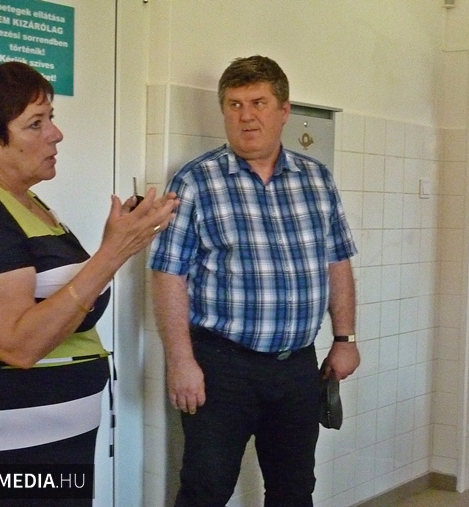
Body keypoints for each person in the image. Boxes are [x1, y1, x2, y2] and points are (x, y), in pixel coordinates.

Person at [0, 62, 178, 505]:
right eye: (35, 124)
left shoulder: (21, 199)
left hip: (44, 443)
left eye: (51, 119)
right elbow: (18, 345)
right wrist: (113, 253)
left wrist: (115, 244)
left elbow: (59, 297)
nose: (56, 135)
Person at [149, 55, 360, 507]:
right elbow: (167, 274)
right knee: (205, 490)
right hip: (221, 367)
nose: (246, 116)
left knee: (294, 490)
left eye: (258, 103)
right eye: (234, 104)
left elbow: (338, 262)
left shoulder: (317, 180)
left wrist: (345, 339)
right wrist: (181, 361)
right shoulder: (195, 181)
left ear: (284, 111)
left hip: (297, 367)